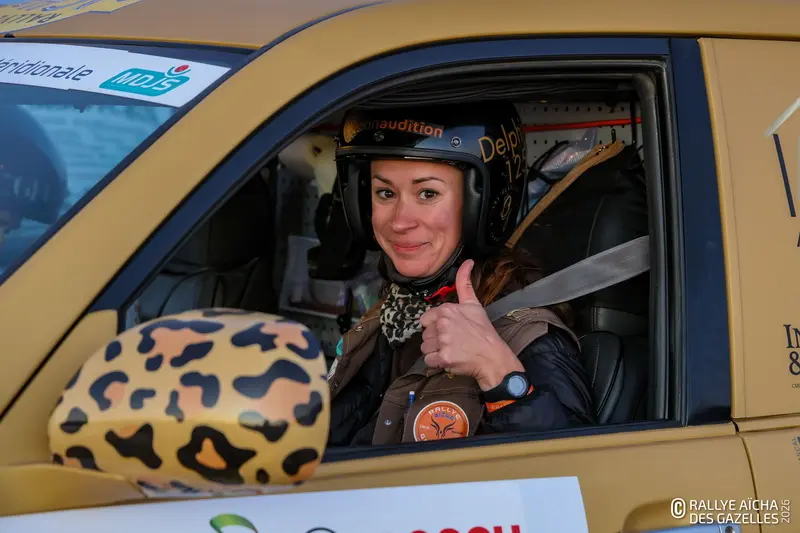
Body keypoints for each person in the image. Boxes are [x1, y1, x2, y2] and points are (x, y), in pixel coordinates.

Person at [326, 101, 596, 446]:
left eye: (427, 193)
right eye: (385, 193)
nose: (399, 221)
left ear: (480, 208)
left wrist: (498, 373)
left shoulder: (527, 337)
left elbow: (574, 471)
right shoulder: (392, 317)